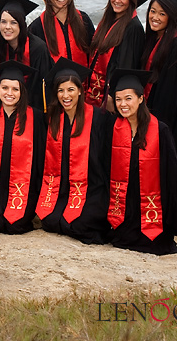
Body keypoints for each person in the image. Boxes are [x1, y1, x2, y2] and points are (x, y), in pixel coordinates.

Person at [106, 69, 177, 255]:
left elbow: (171, 176)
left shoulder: (160, 131)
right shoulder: (114, 128)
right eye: (118, 99)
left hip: (152, 210)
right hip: (124, 211)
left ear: (141, 99)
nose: (123, 104)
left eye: (128, 98)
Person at [35, 58, 109, 244]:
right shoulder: (52, 120)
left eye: (70, 89)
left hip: (92, 188)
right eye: (60, 90)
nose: (65, 95)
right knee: (51, 221)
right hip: (61, 189)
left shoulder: (98, 118)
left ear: (80, 91)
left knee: (80, 224)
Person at [0, 61, 45, 234]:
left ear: (22, 92)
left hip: (22, 191)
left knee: (15, 225)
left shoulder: (36, 118)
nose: (9, 93)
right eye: (5, 88)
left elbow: (40, 160)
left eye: (15, 89)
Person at [142, 0, 177, 195]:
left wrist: (154, 121)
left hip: (163, 116)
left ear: (171, 17)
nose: (155, 17)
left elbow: (169, 94)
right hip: (150, 110)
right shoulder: (155, 38)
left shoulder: (174, 46)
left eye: (162, 14)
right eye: (152, 11)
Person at [86, 0, 152, 110]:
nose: (117, 0)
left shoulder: (133, 27)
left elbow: (126, 66)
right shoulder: (109, 20)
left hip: (113, 98)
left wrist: (114, 96)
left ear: (132, 0)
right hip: (99, 92)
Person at [0, 0, 52, 108]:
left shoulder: (37, 49)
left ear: (22, 25)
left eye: (13, 22)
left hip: (31, 106)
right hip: (4, 104)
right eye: (3, 21)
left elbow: (41, 85)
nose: (7, 27)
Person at [27, 0, 95, 67]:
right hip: (53, 82)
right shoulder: (38, 26)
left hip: (82, 81)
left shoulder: (83, 19)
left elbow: (94, 52)